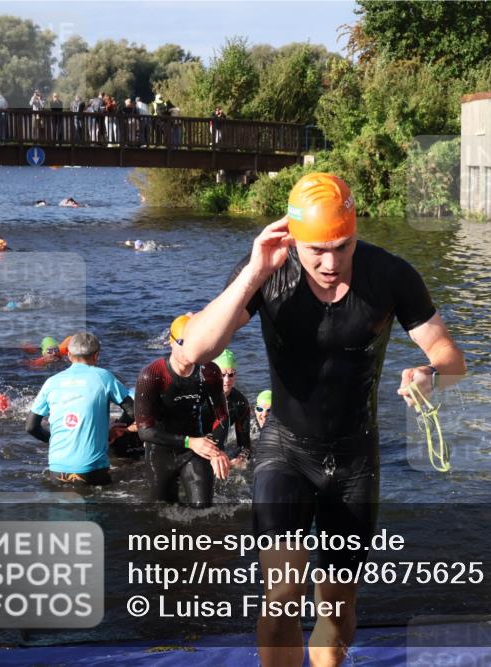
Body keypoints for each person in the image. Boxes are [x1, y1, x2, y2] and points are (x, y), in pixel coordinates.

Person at [179, 172, 466, 666]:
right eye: (316, 250)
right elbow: (193, 352)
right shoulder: (267, 271)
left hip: (355, 459)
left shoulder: (389, 275)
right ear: (292, 237)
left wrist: (429, 375)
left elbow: (451, 357)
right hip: (285, 451)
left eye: (343, 246)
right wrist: (253, 273)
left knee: (337, 610)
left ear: (356, 234)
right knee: (282, 596)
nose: (330, 263)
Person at [134, 314, 232, 508]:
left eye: (193, 343)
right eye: (182, 342)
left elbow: (221, 417)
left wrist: (216, 449)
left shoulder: (209, 371)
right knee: (161, 512)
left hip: (196, 449)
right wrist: (189, 441)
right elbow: (144, 431)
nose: (188, 349)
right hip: (160, 451)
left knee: (204, 511)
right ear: (170, 342)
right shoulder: (152, 375)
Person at [26, 332, 134, 486]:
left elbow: (30, 426)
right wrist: (113, 431)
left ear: (69, 355)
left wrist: (56, 440)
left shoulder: (51, 382)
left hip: (57, 470)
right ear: (96, 356)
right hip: (91, 471)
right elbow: (132, 411)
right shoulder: (104, 377)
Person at [210, 349, 252, 467]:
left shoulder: (240, 403)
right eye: (222, 375)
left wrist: (240, 459)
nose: (227, 380)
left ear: (236, 375)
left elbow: (245, 446)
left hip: (219, 454)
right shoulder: (200, 397)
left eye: (231, 374)